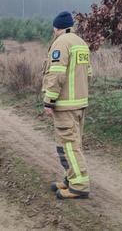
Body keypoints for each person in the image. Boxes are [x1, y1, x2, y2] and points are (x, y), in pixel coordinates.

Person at [42, 11, 92, 200]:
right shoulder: (81, 43)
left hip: (65, 105)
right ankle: (71, 178)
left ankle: (79, 186)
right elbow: (88, 74)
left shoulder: (61, 43)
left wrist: (49, 100)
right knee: (72, 144)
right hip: (79, 103)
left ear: (57, 27)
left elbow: (56, 74)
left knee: (69, 146)